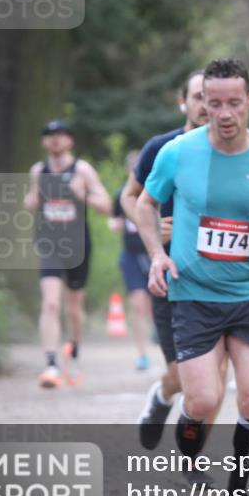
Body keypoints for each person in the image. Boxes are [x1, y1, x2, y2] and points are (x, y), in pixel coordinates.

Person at [136, 58, 249, 496]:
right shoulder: (177, 152)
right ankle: (189, 446)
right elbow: (145, 205)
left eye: (234, 103)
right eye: (214, 103)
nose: (224, 113)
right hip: (193, 294)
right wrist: (157, 254)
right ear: (201, 102)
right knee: (202, 402)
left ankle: (238, 492)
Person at [121, 70, 228, 461]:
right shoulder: (161, 148)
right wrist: (149, 226)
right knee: (184, 376)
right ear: (183, 102)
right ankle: (163, 395)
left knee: (216, 377)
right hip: (172, 276)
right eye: (198, 97)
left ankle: (193, 458)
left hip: (220, 277)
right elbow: (130, 197)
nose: (206, 105)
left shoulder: (235, 150)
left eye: (213, 98)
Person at [24, 120, 112, 388]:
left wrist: (82, 194)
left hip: (78, 245)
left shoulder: (82, 170)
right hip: (50, 244)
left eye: (60, 135)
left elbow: (106, 206)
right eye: (50, 135)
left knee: (73, 307)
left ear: (70, 140)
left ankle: (73, 353)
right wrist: (31, 201)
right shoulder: (38, 171)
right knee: (51, 303)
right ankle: (50, 365)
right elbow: (30, 202)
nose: (55, 140)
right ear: (44, 141)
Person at [109, 150, 154, 371]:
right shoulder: (121, 195)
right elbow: (115, 219)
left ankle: (168, 352)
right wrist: (115, 224)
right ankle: (143, 354)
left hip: (155, 255)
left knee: (157, 307)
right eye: (133, 168)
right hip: (131, 256)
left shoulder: (156, 192)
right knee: (138, 305)